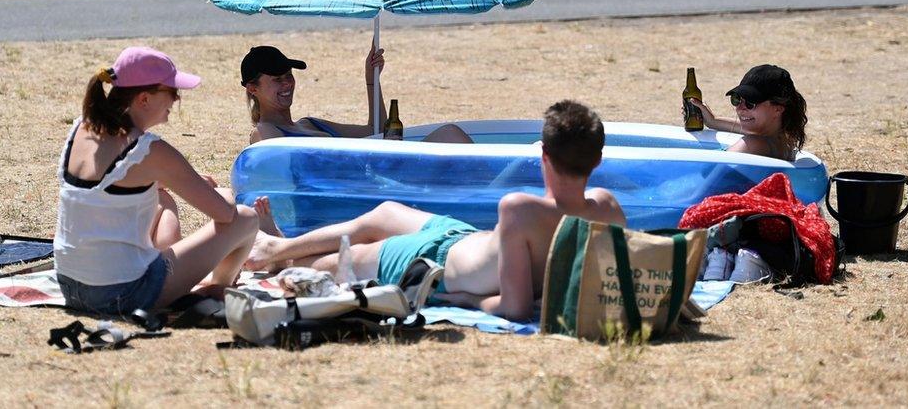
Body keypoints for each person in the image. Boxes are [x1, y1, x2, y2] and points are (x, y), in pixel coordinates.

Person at [244, 100, 626, 321]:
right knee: (384, 213)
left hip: (435, 266)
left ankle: (277, 262)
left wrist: (462, 300)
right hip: (460, 237)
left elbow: (515, 307)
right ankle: (278, 248)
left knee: (350, 259)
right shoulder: (607, 207)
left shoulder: (521, 209)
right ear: (597, 159)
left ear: (544, 156)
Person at [54, 46, 261, 317]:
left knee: (162, 199)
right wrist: (220, 193)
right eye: (172, 93)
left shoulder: (82, 127)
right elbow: (224, 215)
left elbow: (108, 187)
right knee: (245, 217)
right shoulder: (149, 150)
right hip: (121, 293)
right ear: (143, 99)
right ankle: (218, 288)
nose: (176, 100)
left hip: (70, 286)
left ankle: (194, 285)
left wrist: (169, 183)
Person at [241, 43, 472, 144]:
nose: (287, 84)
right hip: (364, 188)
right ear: (253, 88)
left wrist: (371, 79)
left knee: (450, 134)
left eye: (288, 76)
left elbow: (378, 132)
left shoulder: (311, 124)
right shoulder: (265, 132)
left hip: (377, 172)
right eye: (276, 79)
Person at [688, 64, 807, 161]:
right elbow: (743, 127)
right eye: (737, 99)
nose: (740, 108)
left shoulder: (752, 145)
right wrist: (712, 121)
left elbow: (707, 177)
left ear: (778, 108)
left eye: (751, 102)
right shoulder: (783, 139)